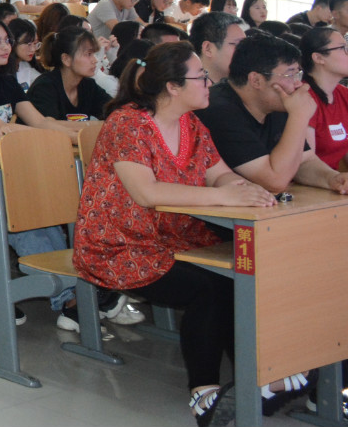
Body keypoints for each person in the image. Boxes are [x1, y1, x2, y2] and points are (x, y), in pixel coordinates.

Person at [73, 42, 275, 425]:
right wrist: (222, 197)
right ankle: (204, 396)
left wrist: (240, 189)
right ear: (172, 87)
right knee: (209, 287)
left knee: (241, 276)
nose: (209, 84)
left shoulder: (192, 124)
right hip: (118, 242)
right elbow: (145, 192)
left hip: (173, 236)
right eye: (201, 77)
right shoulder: (128, 123)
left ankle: (255, 380)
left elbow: (219, 172)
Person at [193, 32, 348, 196]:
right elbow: (275, 181)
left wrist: (334, 179)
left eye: (298, 74)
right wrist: (299, 117)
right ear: (256, 80)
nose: (298, 84)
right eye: (290, 75)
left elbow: (305, 161)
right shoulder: (219, 110)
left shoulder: (274, 101)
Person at [27, 25, 109, 122]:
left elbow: (115, 112)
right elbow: (51, 127)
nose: (95, 60)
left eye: (94, 54)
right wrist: (91, 128)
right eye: (88, 54)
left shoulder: (88, 85)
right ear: (66, 59)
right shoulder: (44, 87)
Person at [300, 26, 348, 172]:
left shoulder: (342, 94)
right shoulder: (303, 97)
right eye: (343, 48)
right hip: (311, 186)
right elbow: (306, 165)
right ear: (319, 58)